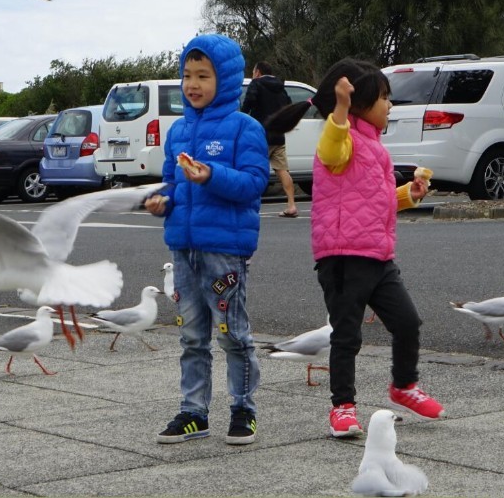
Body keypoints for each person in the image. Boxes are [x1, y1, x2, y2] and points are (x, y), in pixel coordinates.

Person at [264, 58, 443, 438]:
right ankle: (342, 407)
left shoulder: (375, 149)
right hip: (343, 258)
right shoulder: (339, 143)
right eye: (384, 98)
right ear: (360, 103)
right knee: (347, 336)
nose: (390, 105)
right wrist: (341, 109)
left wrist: (407, 195)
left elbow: (373, 202)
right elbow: (332, 145)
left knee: (408, 322)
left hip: (378, 256)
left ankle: (404, 386)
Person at [143, 34, 270, 446]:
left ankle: (244, 409)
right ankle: (193, 412)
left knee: (232, 333)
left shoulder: (243, 128)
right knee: (191, 336)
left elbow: (254, 183)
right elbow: (171, 184)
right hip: (183, 250)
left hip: (225, 254)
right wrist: (163, 201)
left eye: (203, 75)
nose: (192, 84)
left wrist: (211, 175)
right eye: (186, 75)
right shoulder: (178, 130)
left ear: (227, 79)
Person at [241, 61, 299, 217]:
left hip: (260, 135)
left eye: (253, 72)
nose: (253, 75)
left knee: (255, 169)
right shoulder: (280, 87)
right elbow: (289, 105)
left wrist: (242, 116)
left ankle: (250, 206)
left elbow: (249, 102)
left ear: (258, 72)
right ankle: (292, 205)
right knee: (282, 170)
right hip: (278, 135)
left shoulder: (256, 84)